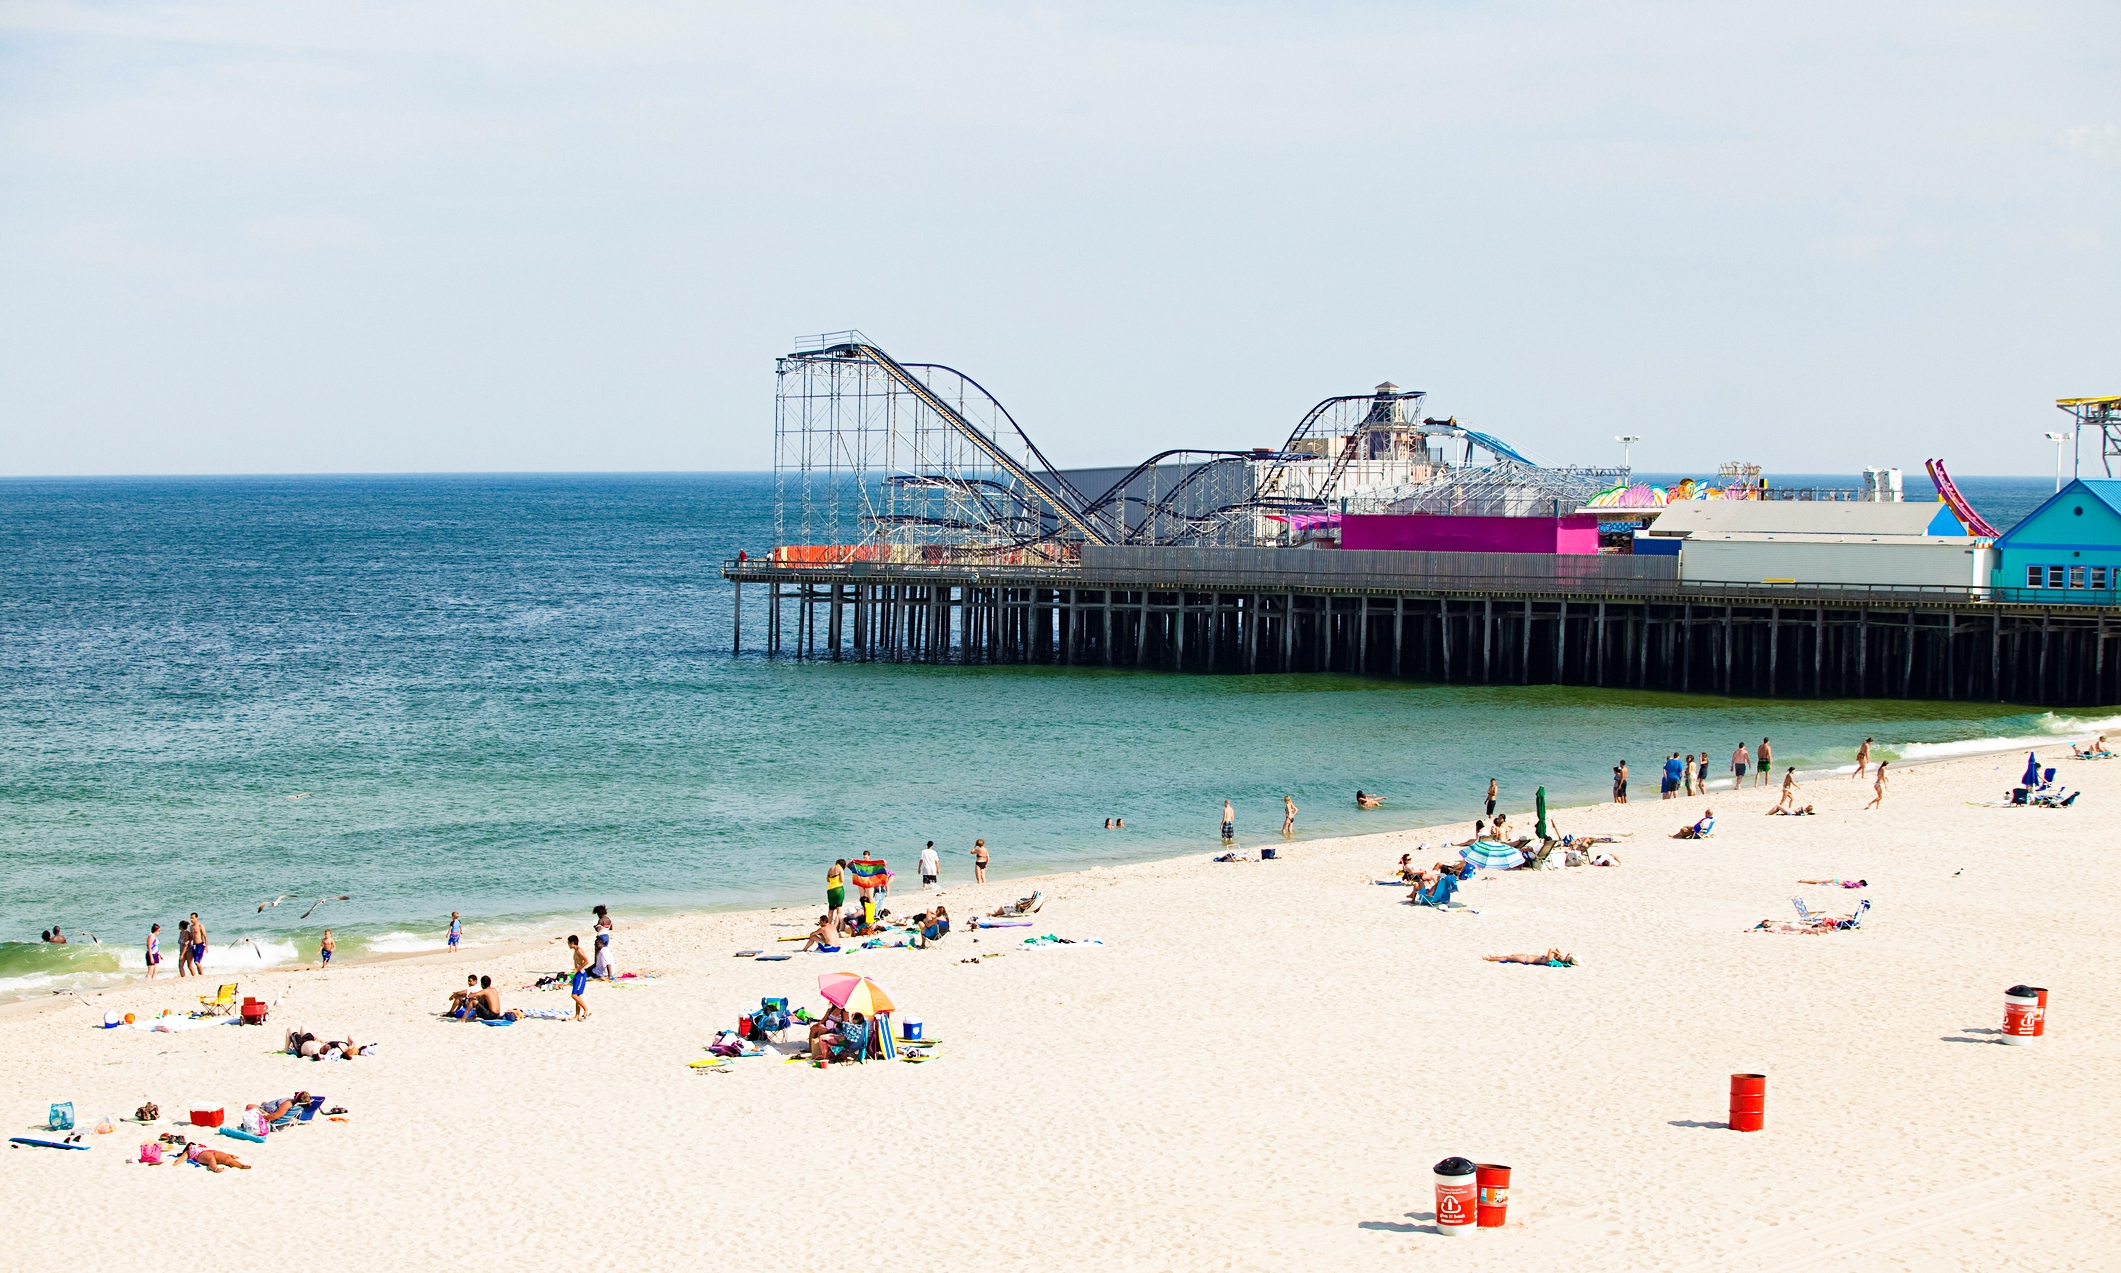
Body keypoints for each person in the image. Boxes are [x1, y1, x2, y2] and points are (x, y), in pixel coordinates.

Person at [184, 1143, 252, 1172]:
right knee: (210, 1158)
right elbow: (181, 1158)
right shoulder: (189, 1151)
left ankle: (241, 1166)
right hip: (200, 1154)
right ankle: (214, 1168)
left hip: (212, 1151)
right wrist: (176, 1163)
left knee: (227, 1158)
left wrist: (229, 1155)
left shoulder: (201, 1146)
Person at [568, 935, 589, 1021]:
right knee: (577, 995)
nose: (568, 945)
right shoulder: (576, 951)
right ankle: (577, 1015)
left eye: (568, 943)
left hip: (581, 973)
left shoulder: (579, 951)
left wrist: (577, 969)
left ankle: (586, 1009)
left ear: (572, 943)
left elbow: (587, 961)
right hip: (578, 974)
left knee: (574, 995)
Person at [1484, 949, 1575, 967]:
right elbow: (1556, 949)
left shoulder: (1550, 960)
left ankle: (1489, 959)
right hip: (1526, 956)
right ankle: (1492, 957)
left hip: (1525, 959)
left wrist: (1558, 954)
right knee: (1510, 956)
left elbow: (1551, 950)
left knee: (1507, 958)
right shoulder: (1553, 959)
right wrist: (1560, 954)